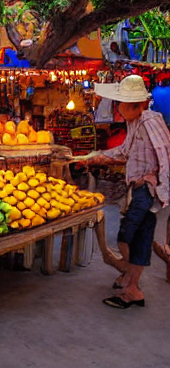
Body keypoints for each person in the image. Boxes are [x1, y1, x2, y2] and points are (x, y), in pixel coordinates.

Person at [72, 75, 170, 308]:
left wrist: (159, 187)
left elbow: (166, 156)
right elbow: (124, 152)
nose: (118, 108)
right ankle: (132, 288)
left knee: (127, 236)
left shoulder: (150, 122)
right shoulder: (135, 123)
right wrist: (94, 158)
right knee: (141, 238)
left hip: (147, 190)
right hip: (141, 190)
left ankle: (129, 278)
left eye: (122, 104)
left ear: (136, 105)